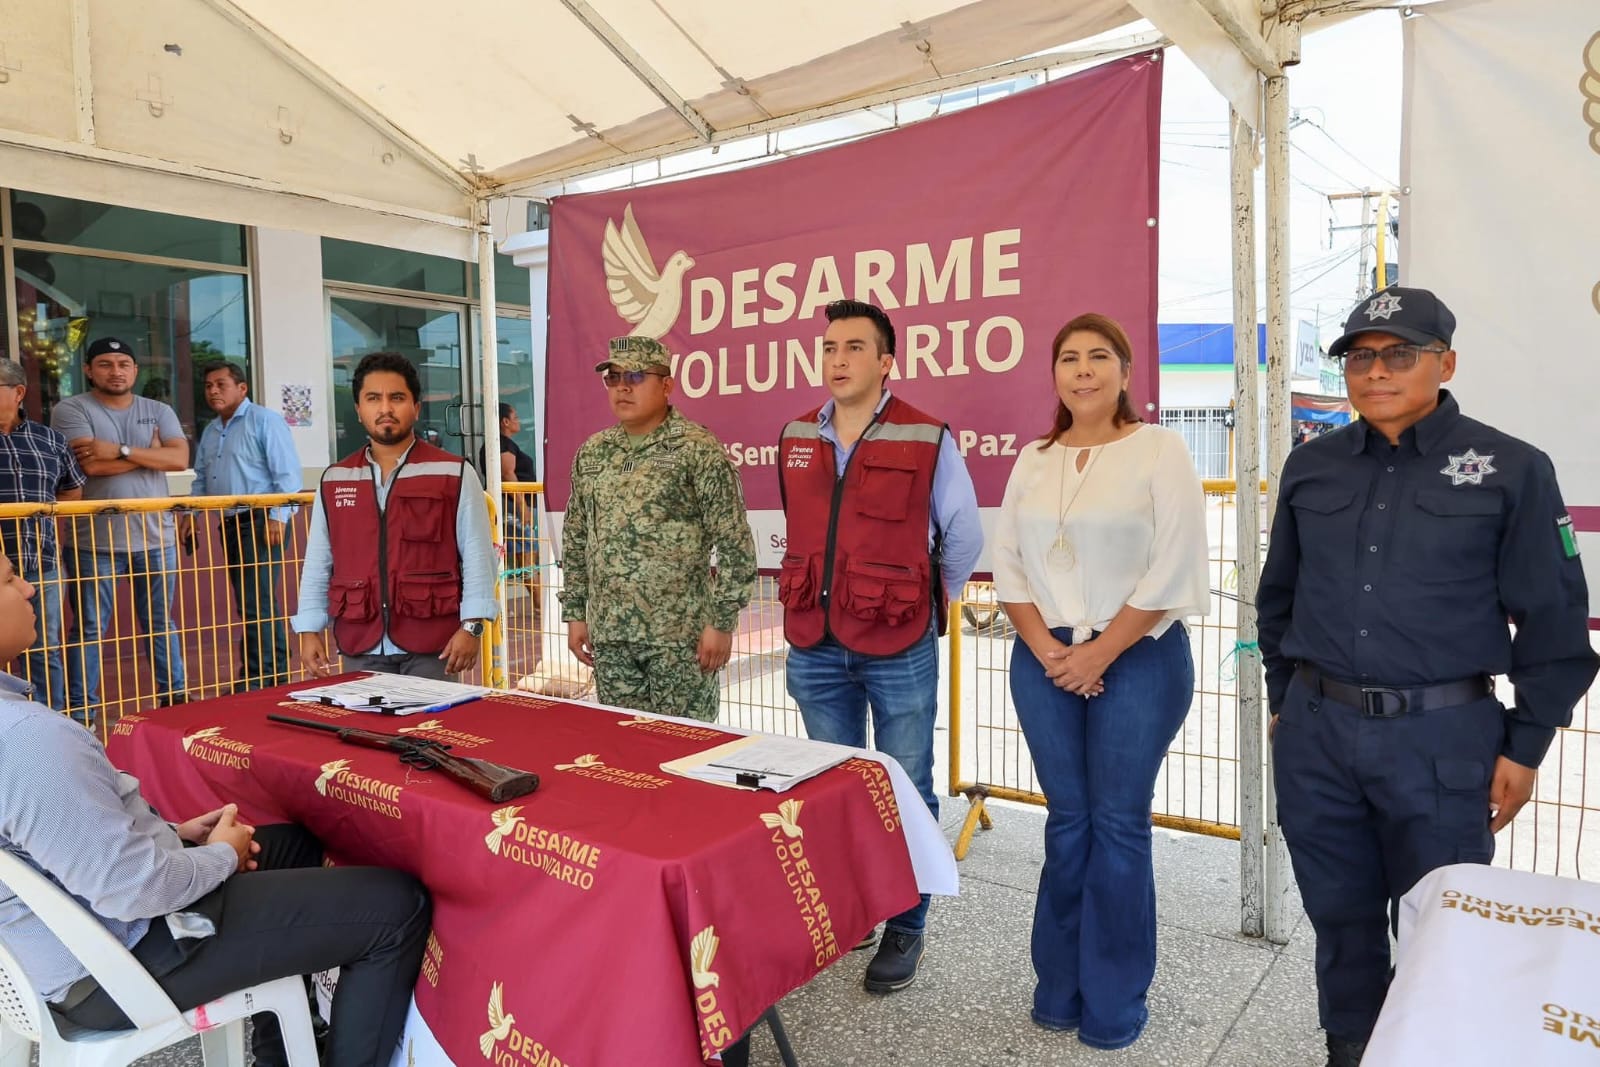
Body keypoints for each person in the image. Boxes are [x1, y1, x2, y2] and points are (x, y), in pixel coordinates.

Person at [1257, 286, 1600, 1067]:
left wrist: (1526, 745)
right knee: (1339, 916)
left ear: (1445, 364)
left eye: (1399, 353)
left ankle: (1426, 1050)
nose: (1376, 371)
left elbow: (1553, 619)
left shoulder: (1511, 467)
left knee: (1442, 919)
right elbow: (1278, 598)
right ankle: (1351, 1047)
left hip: (1443, 739)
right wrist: (1286, 700)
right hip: (1319, 735)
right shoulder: (1312, 466)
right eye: (1359, 356)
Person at [0, 551, 431, 1066]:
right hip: (124, 960)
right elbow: (133, 889)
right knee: (397, 907)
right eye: (9, 578)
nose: (29, 588)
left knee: (291, 845)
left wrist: (176, 835)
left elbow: (53, 841)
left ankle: (282, 1056)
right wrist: (221, 856)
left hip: (67, 951)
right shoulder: (27, 738)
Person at [991, 313, 1209, 1050]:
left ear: (1124, 371)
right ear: (1054, 374)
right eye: (1068, 358)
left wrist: (1098, 654)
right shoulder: (1033, 457)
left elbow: (1174, 566)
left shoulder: (1160, 449)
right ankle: (1057, 991)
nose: (1082, 370)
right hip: (1043, 656)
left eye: (1098, 356)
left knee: (1117, 824)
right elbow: (1008, 566)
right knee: (1067, 821)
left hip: (1139, 654)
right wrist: (1052, 652)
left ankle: (1113, 1004)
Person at [776, 299, 982, 993]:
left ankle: (906, 921)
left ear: (886, 361)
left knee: (905, 787)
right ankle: (855, 908)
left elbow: (964, 535)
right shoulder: (796, 434)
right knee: (835, 788)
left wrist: (927, 596)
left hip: (899, 641)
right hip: (815, 645)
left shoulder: (926, 435)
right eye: (829, 348)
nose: (838, 360)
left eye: (855, 348)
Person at [560, 337, 756, 721]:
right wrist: (576, 613)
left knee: (686, 746)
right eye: (613, 377)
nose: (623, 387)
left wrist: (721, 623)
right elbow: (577, 536)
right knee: (623, 747)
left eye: (635, 376)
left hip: (679, 640)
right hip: (611, 637)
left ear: (667, 385)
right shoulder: (593, 452)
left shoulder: (697, 449)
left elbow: (734, 540)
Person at [292, 352, 497, 681]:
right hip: (361, 639)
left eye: (397, 398)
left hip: (433, 642)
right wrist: (309, 628)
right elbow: (318, 560)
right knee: (362, 717)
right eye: (373, 398)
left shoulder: (453, 473)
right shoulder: (335, 479)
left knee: (432, 717)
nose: (385, 408)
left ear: (416, 407)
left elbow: (477, 554)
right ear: (359, 409)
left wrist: (472, 626)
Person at [51, 337, 190, 723]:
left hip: (156, 537)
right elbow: (89, 467)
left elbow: (180, 458)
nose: (116, 371)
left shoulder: (158, 409)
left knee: (161, 623)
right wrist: (152, 455)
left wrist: (120, 450)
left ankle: (175, 699)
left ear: (135, 370)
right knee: (90, 628)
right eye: (106, 364)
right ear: (88, 370)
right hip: (93, 541)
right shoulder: (71, 409)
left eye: (123, 364)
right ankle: (83, 710)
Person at [178, 360, 302, 693]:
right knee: (251, 601)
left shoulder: (264, 420)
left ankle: (260, 678)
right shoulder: (211, 430)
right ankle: (268, 675)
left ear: (242, 388)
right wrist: (192, 515)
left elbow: (288, 475)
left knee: (256, 601)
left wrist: (277, 517)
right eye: (208, 385)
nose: (213, 391)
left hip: (261, 521)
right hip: (231, 523)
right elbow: (201, 479)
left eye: (221, 384)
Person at [0, 359, 86, 710]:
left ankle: (51, 717)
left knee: (44, 648)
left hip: (42, 562)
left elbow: (72, 489)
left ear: (18, 392)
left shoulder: (49, 439)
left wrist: (41, 519)